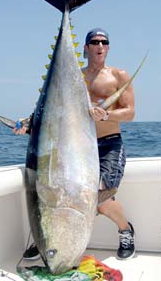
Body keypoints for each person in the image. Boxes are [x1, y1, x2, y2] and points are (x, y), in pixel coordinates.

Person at [14, 28, 135, 261]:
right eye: (94, 42)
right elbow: (56, 111)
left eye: (104, 42)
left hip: (109, 145)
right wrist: (29, 122)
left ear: (108, 47)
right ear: (86, 48)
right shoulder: (73, 77)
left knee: (101, 197)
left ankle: (126, 231)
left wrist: (107, 116)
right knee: (53, 190)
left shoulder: (119, 75)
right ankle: (47, 239)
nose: (100, 46)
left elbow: (130, 112)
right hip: (77, 148)